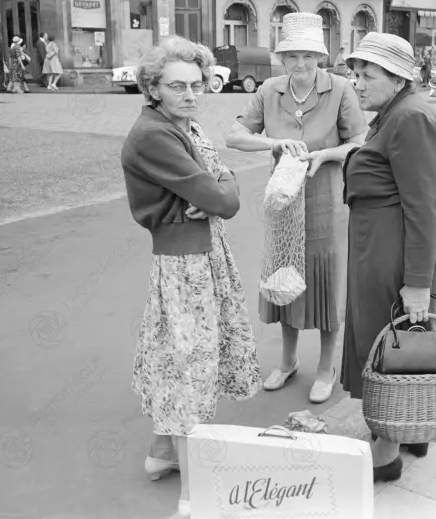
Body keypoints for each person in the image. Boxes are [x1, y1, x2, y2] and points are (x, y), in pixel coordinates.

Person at [121, 35, 261, 519]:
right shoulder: (155, 135)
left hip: (202, 253)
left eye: (196, 84)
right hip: (184, 262)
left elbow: (226, 183)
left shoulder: (184, 125)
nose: (190, 93)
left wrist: (222, 186)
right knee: (187, 364)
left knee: (178, 354)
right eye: (177, 85)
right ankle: (192, 494)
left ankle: (162, 454)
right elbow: (224, 199)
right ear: (153, 88)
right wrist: (221, 189)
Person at [224, 12, 367, 404]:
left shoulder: (339, 88)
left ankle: (325, 367)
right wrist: (271, 145)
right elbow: (234, 135)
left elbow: (361, 141)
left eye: (307, 55)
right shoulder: (269, 90)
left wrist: (327, 154)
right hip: (283, 203)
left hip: (326, 202)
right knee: (283, 278)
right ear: (281, 59)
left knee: (325, 282)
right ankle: (287, 362)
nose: (300, 64)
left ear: (319, 56)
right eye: (291, 56)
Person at [342, 32, 436, 482]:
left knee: (387, 348)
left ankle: (386, 452)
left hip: (391, 254)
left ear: (397, 77)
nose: (357, 84)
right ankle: (410, 430)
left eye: (367, 75)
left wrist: (418, 282)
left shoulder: (409, 119)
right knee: (402, 344)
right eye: (355, 73)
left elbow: (425, 207)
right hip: (379, 246)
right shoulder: (394, 113)